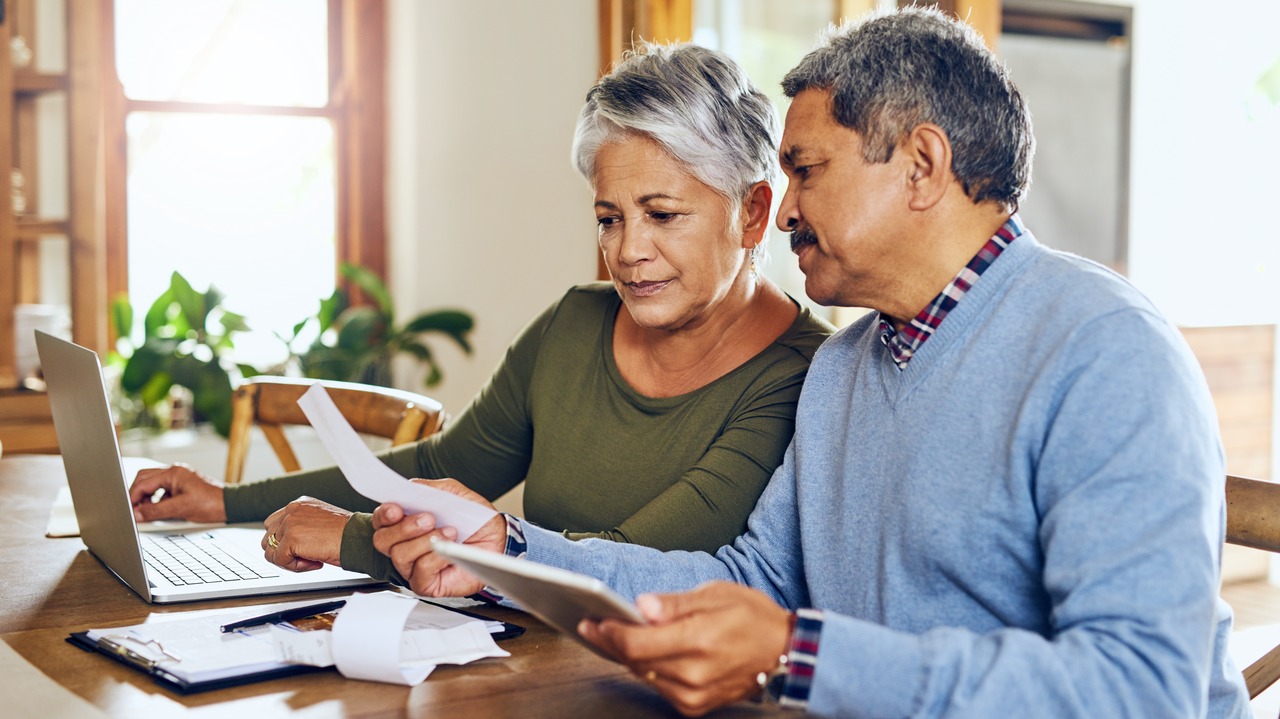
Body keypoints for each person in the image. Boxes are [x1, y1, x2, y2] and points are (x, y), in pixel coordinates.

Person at [368, 7, 1252, 718]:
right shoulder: (847, 367)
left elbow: (1143, 690)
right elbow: (752, 579)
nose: (780, 209)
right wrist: (512, 548)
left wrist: (799, 655)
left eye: (805, 169)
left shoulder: (1104, 350)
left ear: (921, 166)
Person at [127, 43, 834, 582]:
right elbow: (440, 462)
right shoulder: (576, 323)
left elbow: (636, 561)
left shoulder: (803, 376)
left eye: (662, 215)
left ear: (752, 212)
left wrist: (351, 538)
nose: (628, 251)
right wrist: (221, 500)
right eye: (609, 217)